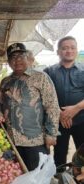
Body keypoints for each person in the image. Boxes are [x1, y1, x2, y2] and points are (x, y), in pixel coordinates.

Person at [0, 43, 60, 171]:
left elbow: (52, 106)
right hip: (12, 141)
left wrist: (51, 134)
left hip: (35, 140)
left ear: (27, 57)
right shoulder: (5, 81)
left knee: (37, 177)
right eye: (12, 57)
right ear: (8, 62)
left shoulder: (41, 78)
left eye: (20, 56)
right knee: (17, 177)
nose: (17, 60)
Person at [44, 36, 84, 171]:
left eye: (72, 48)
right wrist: (59, 113)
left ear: (77, 50)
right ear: (58, 52)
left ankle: (80, 180)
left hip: (82, 120)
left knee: (83, 155)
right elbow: (42, 96)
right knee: (59, 155)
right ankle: (60, 180)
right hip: (58, 122)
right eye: (65, 48)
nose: (69, 51)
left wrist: (76, 108)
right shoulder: (48, 72)